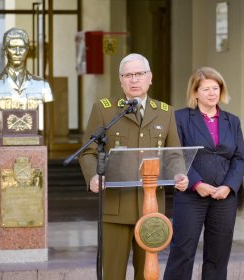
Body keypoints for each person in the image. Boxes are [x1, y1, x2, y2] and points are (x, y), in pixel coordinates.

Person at [78, 53, 189, 280]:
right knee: (113, 274)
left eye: (139, 74)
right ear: (120, 80)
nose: (134, 79)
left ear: (150, 78)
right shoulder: (105, 110)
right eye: (128, 75)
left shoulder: (165, 112)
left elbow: (174, 153)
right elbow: (88, 151)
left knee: (147, 274)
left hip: (151, 208)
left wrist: (179, 173)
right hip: (116, 207)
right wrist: (93, 177)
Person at [164, 67, 244, 280]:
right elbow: (176, 155)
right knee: (182, 252)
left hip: (223, 197)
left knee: (218, 256)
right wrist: (197, 183)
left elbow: (239, 157)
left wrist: (228, 186)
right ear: (195, 92)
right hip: (191, 196)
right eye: (206, 89)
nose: (212, 93)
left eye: (216, 88)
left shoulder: (233, 120)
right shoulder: (180, 118)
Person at [0, 27, 53, 131]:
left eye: (21, 48)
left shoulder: (43, 86)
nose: (18, 52)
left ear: (27, 50)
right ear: (5, 51)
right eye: (13, 47)